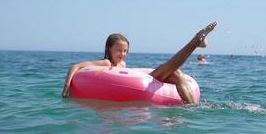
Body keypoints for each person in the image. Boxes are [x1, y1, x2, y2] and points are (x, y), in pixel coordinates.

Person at [61, 21, 217, 104]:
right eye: (118, 50)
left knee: (176, 74)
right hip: (146, 83)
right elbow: (75, 66)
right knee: (168, 68)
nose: (122, 54)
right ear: (109, 49)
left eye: (125, 51)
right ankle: (194, 43)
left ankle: (192, 108)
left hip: (149, 81)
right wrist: (66, 88)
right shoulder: (106, 62)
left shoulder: (121, 65)